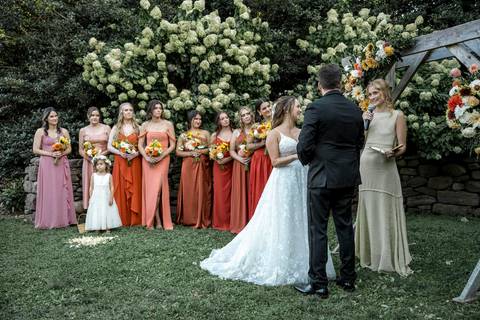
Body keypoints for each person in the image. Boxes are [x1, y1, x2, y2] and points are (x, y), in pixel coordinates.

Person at [200, 96, 336, 286]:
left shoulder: (303, 130)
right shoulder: (274, 133)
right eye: (297, 106)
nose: (300, 109)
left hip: (303, 178)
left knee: (303, 217)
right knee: (282, 218)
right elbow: (275, 162)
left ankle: (308, 260)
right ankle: (280, 259)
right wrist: (298, 155)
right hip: (284, 180)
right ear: (288, 109)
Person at [296, 64, 364, 298]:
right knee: (345, 227)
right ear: (340, 83)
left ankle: (319, 284)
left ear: (319, 84)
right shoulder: (355, 109)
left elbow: (304, 144)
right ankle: (348, 279)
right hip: (347, 177)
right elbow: (358, 142)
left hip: (322, 176)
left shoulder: (316, 107)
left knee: (318, 230)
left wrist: (309, 161)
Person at [355, 79, 412, 277]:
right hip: (366, 166)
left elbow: (403, 146)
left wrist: (393, 153)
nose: (372, 97)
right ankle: (369, 253)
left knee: (385, 207)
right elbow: (360, 141)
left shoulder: (397, 115)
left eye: (375, 93)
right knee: (369, 208)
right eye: (370, 94)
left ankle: (387, 255)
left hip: (385, 167)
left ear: (385, 93)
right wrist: (363, 123)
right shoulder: (366, 116)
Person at [32, 107, 77, 229]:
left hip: (61, 162)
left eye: (56, 115)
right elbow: (35, 149)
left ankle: (64, 219)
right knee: (49, 190)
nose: (54, 118)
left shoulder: (64, 131)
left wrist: (61, 153)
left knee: (62, 190)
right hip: (46, 164)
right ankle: (48, 219)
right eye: (51, 116)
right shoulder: (40, 131)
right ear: (46, 118)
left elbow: (69, 148)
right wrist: (51, 154)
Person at [138, 100, 175, 230]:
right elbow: (140, 145)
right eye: (156, 108)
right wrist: (147, 157)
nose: (158, 110)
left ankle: (157, 218)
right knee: (151, 190)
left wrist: (161, 155)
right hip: (148, 160)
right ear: (151, 111)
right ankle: (154, 219)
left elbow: (173, 145)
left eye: (160, 108)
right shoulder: (145, 125)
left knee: (158, 190)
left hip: (163, 159)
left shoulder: (168, 124)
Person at [107, 102, 142, 226]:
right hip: (120, 161)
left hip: (135, 161)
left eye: (130, 110)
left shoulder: (138, 127)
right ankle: (121, 218)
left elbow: (142, 146)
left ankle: (136, 218)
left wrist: (136, 154)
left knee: (135, 187)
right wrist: (120, 153)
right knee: (120, 188)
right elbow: (109, 146)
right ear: (121, 112)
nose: (128, 112)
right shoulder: (116, 128)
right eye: (126, 110)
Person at [176, 110, 212, 229]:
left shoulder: (206, 133)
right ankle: (189, 218)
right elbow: (178, 152)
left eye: (199, 119)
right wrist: (191, 153)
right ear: (190, 120)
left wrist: (200, 151)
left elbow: (211, 149)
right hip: (188, 165)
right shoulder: (184, 135)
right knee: (189, 191)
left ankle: (202, 217)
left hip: (202, 165)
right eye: (195, 119)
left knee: (202, 190)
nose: (198, 121)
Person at [79, 107, 111, 211]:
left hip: (103, 161)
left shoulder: (106, 128)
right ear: (88, 116)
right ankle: (91, 210)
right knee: (90, 184)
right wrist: (90, 158)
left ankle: (105, 209)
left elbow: (110, 146)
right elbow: (80, 149)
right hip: (88, 162)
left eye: (97, 115)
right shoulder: (83, 130)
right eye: (92, 115)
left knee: (104, 184)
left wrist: (101, 156)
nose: (95, 117)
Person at [229, 106, 254, 233]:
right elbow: (231, 150)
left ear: (252, 115)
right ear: (240, 118)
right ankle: (240, 222)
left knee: (252, 191)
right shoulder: (236, 132)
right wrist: (239, 159)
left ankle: (252, 222)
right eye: (243, 115)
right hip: (239, 164)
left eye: (248, 114)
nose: (246, 116)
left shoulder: (258, 129)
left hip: (253, 163)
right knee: (241, 191)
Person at [247, 99, 273, 219]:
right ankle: (260, 219)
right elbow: (249, 146)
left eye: (268, 106)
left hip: (273, 159)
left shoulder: (279, 123)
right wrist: (262, 143)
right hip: (260, 160)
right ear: (259, 112)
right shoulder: (256, 127)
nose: (267, 109)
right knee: (261, 189)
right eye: (264, 108)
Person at [85, 155, 122, 232]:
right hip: (96, 197)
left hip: (106, 197)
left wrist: (111, 197)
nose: (99, 166)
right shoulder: (93, 175)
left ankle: (108, 226)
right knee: (97, 211)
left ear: (106, 165)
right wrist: (91, 197)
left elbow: (112, 187)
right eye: (97, 164)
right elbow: (91, 187)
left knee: (107, 210)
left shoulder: (109, 176)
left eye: (101, 164)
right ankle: (97, 226)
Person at [210, 111, 234, 231]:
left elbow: (236, 150)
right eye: (222, 118)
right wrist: (215, 157)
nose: (225, 120)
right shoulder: (214, 135)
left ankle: (232, 221)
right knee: (220, 193)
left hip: (232, 167)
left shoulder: (235, 133)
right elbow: (211, 151)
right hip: (218, 167)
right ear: (218, 121)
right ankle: (220, 221)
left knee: (232, 193)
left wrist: (228, 159)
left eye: (227, 117)